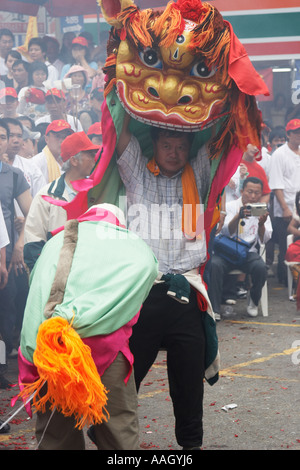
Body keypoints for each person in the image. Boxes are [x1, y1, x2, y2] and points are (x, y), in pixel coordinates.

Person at [115, 113, 218, 450]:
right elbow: (120, 131)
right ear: (154, 146)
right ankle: (110, 440)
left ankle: (191, 447)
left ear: (189, 150)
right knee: (126, 378)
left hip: (186, 294)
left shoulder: (199, 176)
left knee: (188, 383)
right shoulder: (137, 175)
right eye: (167, 145)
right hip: (145, 292)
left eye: (180, 146)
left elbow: (221, 135)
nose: (174, 152)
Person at [19, 203, 158, 450]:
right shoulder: (129, 244)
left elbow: (37, 290)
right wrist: (96, 316)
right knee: (118, 433)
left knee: (56, 437)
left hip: (52, 351)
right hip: (106, 351)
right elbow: (145, 272)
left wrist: (34, 353)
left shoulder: (56, 242)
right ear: (119, 224)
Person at [24, 131, 99, 271]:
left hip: (92, 269)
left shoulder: (98, 191)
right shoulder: (47, 196)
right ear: (74, 161)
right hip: (57, 271)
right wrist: (45, 275)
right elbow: (33, 242)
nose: (94, 159)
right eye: (89, 155)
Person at [209, 177, 272, 319]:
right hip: (226, 251)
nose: (253, 196)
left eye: (257, 193)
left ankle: (254, 302)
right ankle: (215, 308)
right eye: (250, 192)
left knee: (260, 267)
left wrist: (262, 224)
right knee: (214, 265)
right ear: (242, 191)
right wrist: (238, 216)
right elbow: (224, 231)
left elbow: (265, 239)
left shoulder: (261, 209)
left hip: (248, 253)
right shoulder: (230, 206)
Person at [0, 118, 32, 371]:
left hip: (6, 254)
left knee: (4, 313)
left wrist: (20, 244)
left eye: (3, 136)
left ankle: (0, 368)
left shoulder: (13, 175)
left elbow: (30, 214)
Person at [269, 119, 300, 285]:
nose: (298, 135)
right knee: (285, 246)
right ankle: (286, 280)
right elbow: (276, 184)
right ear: (288, 135)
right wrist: (285, 208)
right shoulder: (279, 154)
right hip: (286, 208)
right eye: (295, 132)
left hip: (299, 207)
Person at [31, 119, 73, 183]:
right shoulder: (36, 163)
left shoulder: (73, 161)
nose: (62, 141)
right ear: (46, 139)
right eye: (57, 136)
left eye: (65, 137)